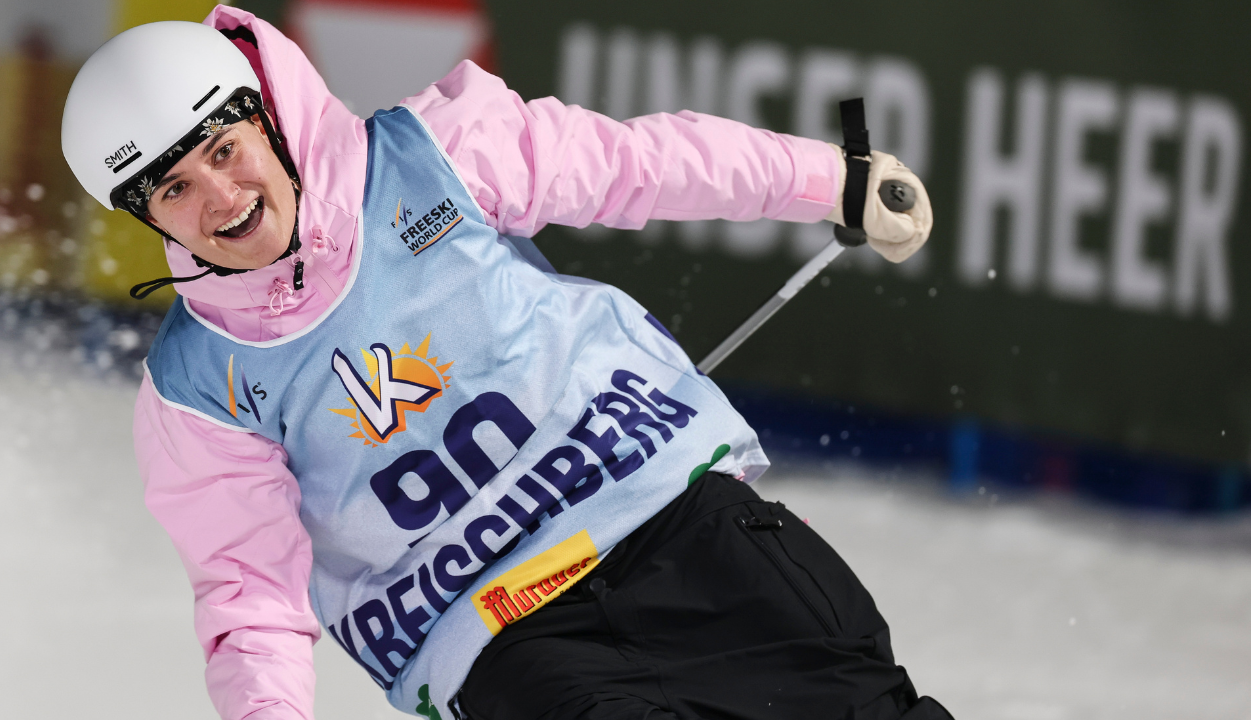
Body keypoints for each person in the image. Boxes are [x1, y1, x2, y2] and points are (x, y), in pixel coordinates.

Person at [61, 6, 943, 720]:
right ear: (148, 217)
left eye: (224, 150)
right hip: (502, 641)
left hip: (680, 528)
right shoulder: (199, 392)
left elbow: (636, 165)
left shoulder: (433, 158)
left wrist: (826, 179)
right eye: (174, 188)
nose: (222, 198)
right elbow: (248, 594)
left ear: (268, 117)